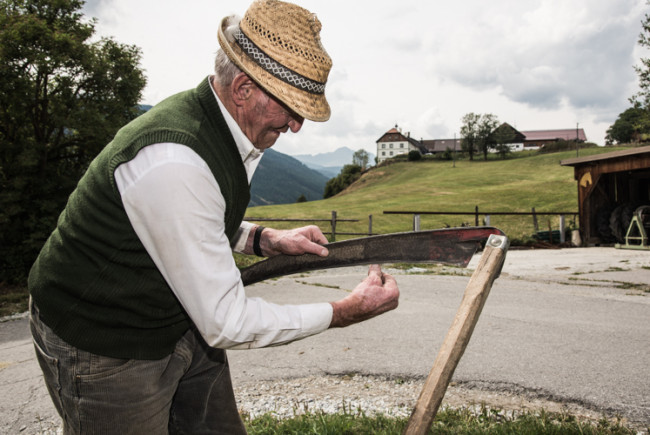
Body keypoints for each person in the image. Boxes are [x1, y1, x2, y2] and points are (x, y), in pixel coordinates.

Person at [27, 0, 400, 433]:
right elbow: (227, 321)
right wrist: (344, 310)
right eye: (291, 107)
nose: (297, 125)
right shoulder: (174, 160)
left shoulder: (229, 129)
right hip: (105, 338)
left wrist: (262, 239)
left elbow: (193, 221)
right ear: (243, 89)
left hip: (180, 317)